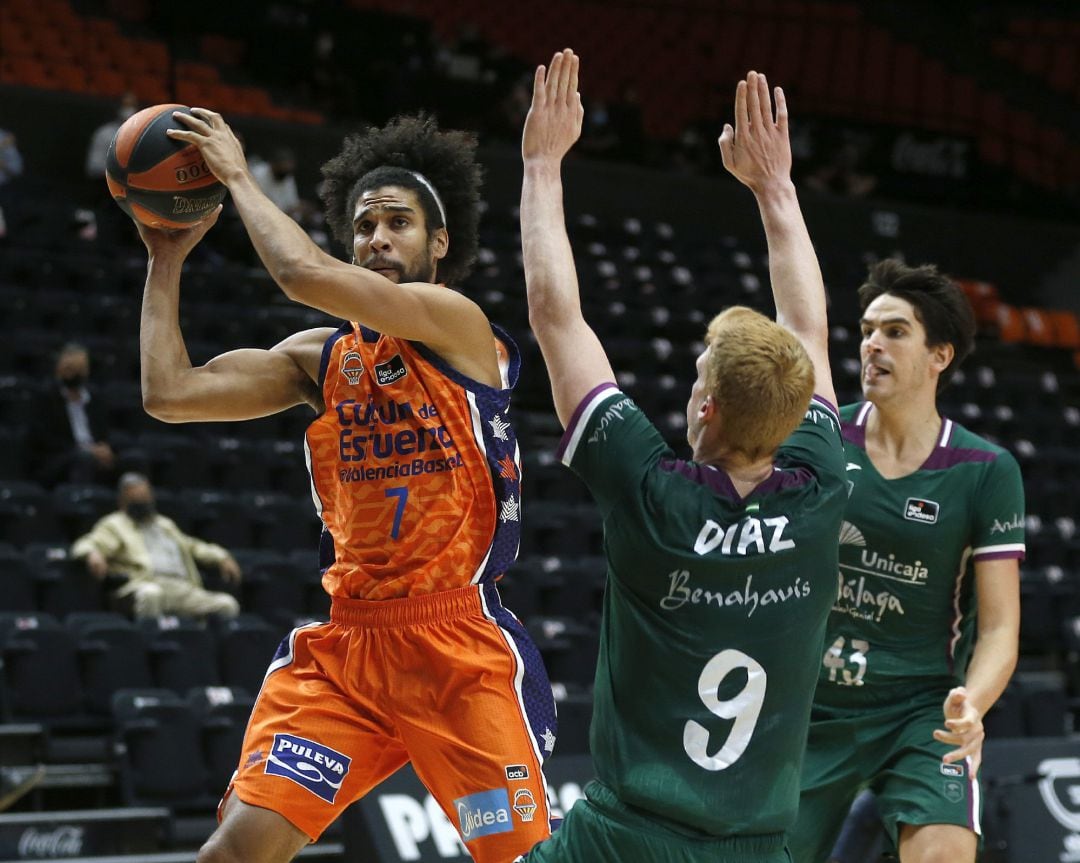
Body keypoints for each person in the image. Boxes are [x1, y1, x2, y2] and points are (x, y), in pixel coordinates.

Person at [138, 111, 556, 863]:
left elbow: (302, 274)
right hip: (349, 648)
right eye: (364, 226)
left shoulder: (456, 326)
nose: (377, 239)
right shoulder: (321, 359)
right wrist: (166, 258)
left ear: (439, 243)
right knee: (232, 854)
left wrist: (238, 175)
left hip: (456, 645)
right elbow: (169, 392)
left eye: (399, 223)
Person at [518, 54, 845, 861]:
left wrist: (541, 162)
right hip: (763, 841)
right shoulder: (822, 487)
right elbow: (809, 325)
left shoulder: (651, 493)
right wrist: (775, 187)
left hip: (627, 835)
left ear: (705, 408)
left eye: (699, 375)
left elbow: (557, 316)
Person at [788, 257, 1024, 863]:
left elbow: (999, 625)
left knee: (945, 852)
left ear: (939, 355)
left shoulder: (985, 470)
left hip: (920, 709)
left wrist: (972, 702)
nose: (872, 345)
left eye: (895, 332)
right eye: (867, 330)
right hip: (808, 704)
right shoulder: (821, 438)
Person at [72, 472, 241, 619]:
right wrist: (92, 554)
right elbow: (88, 542)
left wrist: (222, 557)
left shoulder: (165, 524)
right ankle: (148, 644)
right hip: (144, 584)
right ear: (123, 501)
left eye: (145, 498)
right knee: (152, 594)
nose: (143, 504)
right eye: (137, 500)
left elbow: (193, 546)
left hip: (182, 587)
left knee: (227, 605)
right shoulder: (115, 524)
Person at [22, 343, 118, 489]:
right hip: (59, 459)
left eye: (80, 370)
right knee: (83, 458)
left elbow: (104, 434)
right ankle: (80, 504)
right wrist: (86, 450)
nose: (75, 374)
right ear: (58, 369)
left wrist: (105, 449)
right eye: (70, 369)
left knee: (133, 458)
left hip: (94, 455)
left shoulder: (96, 399)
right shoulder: (45, 398)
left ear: (87, 371)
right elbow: (44, 440)